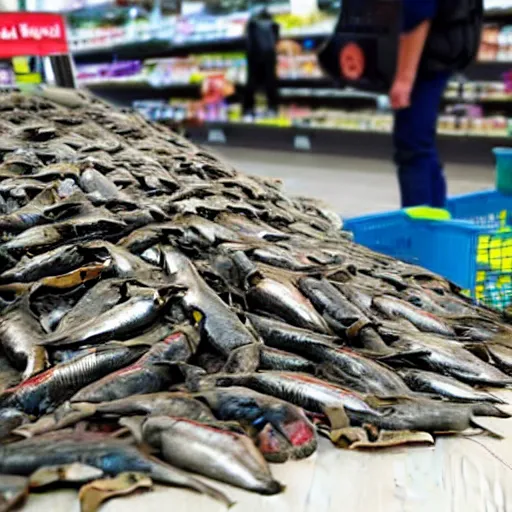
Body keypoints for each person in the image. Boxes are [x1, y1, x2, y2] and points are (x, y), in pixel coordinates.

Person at [390, 0, 483, 208]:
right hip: (444, 49)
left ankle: (421, 230)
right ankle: (436, 218)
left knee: (412, 147)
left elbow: (418, 13)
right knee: (421, 144)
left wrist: (404, 78)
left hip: (428, 56)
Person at [243, 7, 280, 118]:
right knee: (270, 82)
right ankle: (272, 109)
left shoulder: (252, 25)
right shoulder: (274, 25)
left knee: (252, 82)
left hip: (254, 55)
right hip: (269, 54)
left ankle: (249, 110)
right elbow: (276, 39)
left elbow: (248, 40)